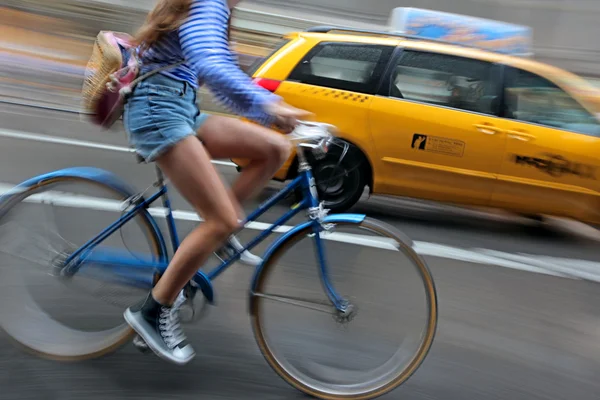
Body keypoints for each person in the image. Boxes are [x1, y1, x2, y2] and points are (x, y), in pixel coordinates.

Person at [122, 0, 311, 366]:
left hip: (179, 108)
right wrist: (269, 104)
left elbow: (216, 78)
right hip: (159, 112)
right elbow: (210, 62)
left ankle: (217, 235)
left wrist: (271, 116)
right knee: (222, 217)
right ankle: (152, 312)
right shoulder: (210, 3)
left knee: (273, 148)